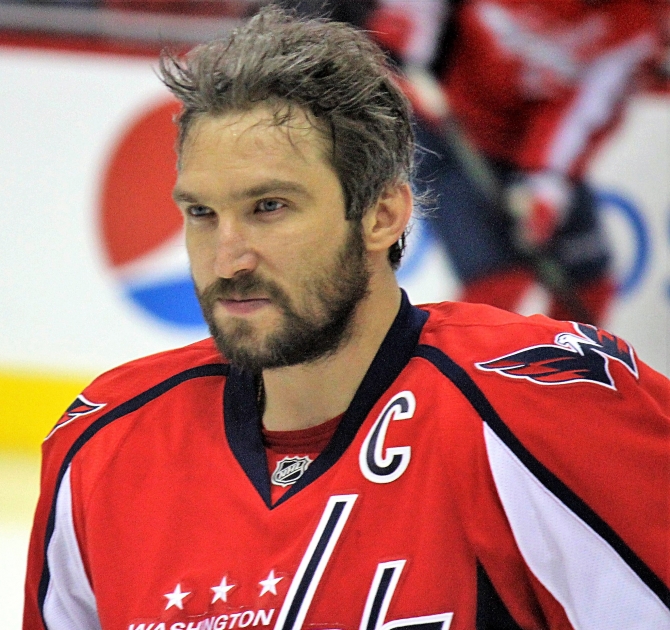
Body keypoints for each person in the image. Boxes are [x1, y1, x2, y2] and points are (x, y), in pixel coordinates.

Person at [23, 7, 670, 630]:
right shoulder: (102, 448)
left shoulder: (551, 410)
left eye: (270, 207)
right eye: (201, 214)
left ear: (383, 215)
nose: (227, 259)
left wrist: (547, 181)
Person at [407, 0, 667, 324]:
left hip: (535, 149)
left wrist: (544, 186)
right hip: (451, 134)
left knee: (588, 287)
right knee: (498, 285)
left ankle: (564, 360)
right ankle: (453, 358)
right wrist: (405, 53)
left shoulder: (634, 22)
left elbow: (583, 109)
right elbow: (409, 18)